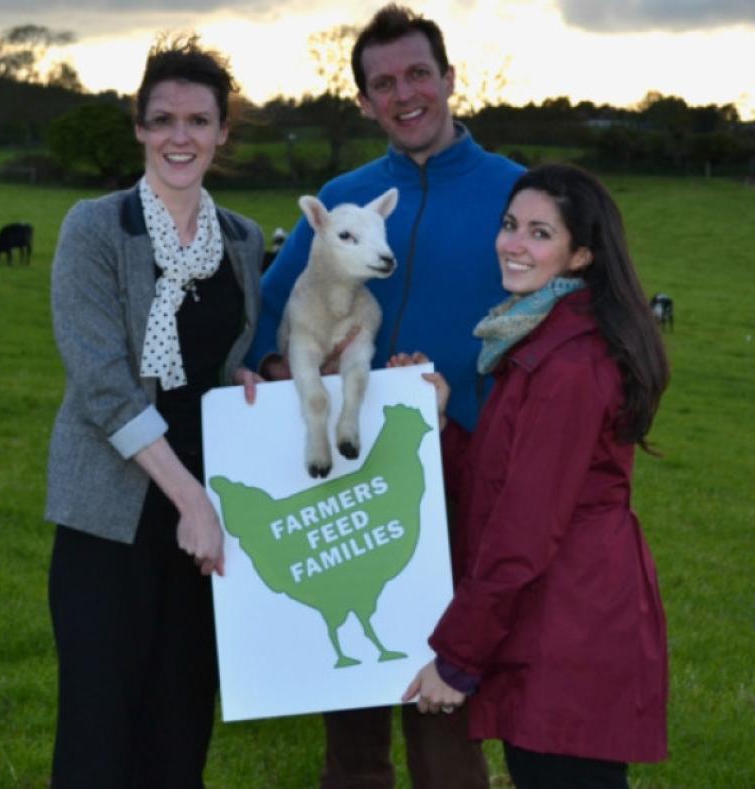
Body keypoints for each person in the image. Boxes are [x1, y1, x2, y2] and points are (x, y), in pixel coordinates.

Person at [247, 7, 523, 785]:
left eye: (417, 74)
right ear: (365, 102)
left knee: (444, 709)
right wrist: (276, 368)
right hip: (348, 472)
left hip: (462, 474)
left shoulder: (515, 193)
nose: (404, 95)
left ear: (449, 79)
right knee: (351, 703)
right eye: (384, 84)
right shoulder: (344, 198)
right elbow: (271, 310)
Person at [396, 163, 670, 789]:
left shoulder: (569, 363)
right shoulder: (534, 340)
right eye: (510, 224)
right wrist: (441, 424)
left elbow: (521, 530)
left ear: (581, 255)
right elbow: (500, 477)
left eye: (540, 233)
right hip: (554, 612)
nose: (513, 244)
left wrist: (456, 658)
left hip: (571, 623)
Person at [44, 34, 262, 787]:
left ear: (222, 132)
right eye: (163, 119)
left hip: (208, 524)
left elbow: (223, 357)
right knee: (98, 734)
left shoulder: (243, 240)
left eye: (199, 120)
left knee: (180, 727)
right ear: (139, 127)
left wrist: (244, 374)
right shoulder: (95, 228)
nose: (180, 136)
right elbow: (104, 383)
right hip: (111, 516)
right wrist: (189, 500)